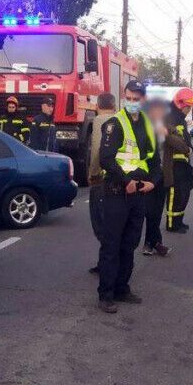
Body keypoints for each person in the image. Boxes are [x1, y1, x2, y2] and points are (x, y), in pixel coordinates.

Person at [96, 80, 161, 313]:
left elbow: (154, 159)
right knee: (111, 245)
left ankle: (122, 288)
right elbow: (106, 159)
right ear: (124, 97)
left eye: (137, 99)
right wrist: (127, 181)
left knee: (130, 244)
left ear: (143, 100)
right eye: (129, 98)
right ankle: (106, 294)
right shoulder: (115, 124)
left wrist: (153, 181)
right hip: (117, 193)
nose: (133, 102)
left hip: (139, 195)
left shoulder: (148, 124)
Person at [87, 92, 115, 274]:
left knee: (100, 223)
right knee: (113, 222)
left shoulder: (100, 121)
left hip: (102, 180)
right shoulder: (123, 120)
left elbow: (97, 150)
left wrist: (93, 173)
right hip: (121, 179)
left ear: (97, 106)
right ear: (114, 106)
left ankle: (107, 263)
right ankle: (107, 260)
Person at [142, 97, 171, 257]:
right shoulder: (143, 128)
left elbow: (183, 146)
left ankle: (154, 242)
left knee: (157, 212)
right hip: (147, 175)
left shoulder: (168, 128)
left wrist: (168, 136)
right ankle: (152, 243)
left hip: (163, 176)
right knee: (149, 212)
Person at [164, 88, 193, 233]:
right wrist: (186, 149)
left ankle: (179, 221)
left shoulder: (180, 119)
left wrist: (190, 148)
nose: (189, 110)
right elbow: (172, 139)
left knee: (183, 193)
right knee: (173, 195)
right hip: (173, 164)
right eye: (188, 107)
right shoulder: (169, 117)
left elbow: (185, 139)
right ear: (181, 104)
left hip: (183, 164)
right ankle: (171, 224)